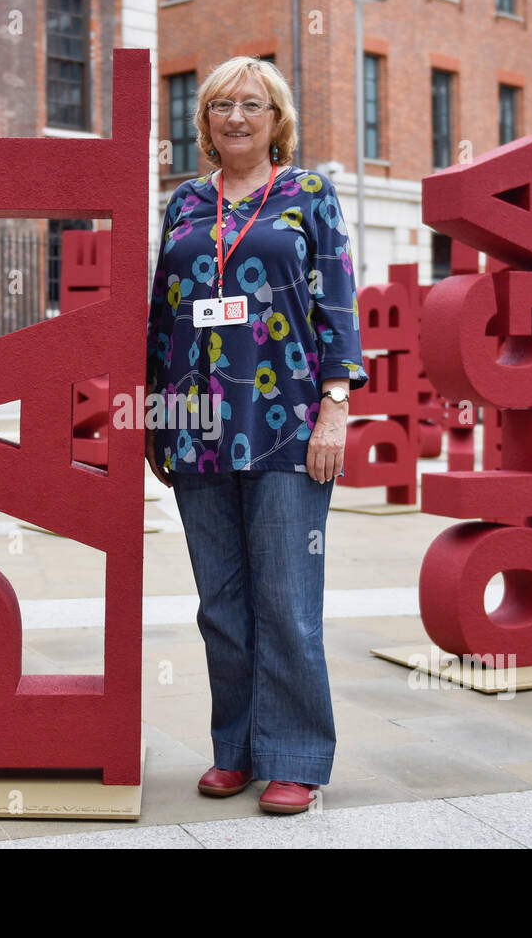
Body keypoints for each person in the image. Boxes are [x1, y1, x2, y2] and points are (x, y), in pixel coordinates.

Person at [144, 56, 367, 815]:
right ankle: (234, 748)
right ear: (203, 123)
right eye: (219, 106)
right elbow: (161, 315)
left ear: (277, 120)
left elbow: (337, 303)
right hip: (195, 421)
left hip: (288, 423)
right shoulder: (182, 204)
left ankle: (296, 756)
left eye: (252, 104)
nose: (235, 117)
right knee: (221, 601)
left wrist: (336, 404)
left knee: (286, 597)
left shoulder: (309, 195)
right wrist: (155, 415)